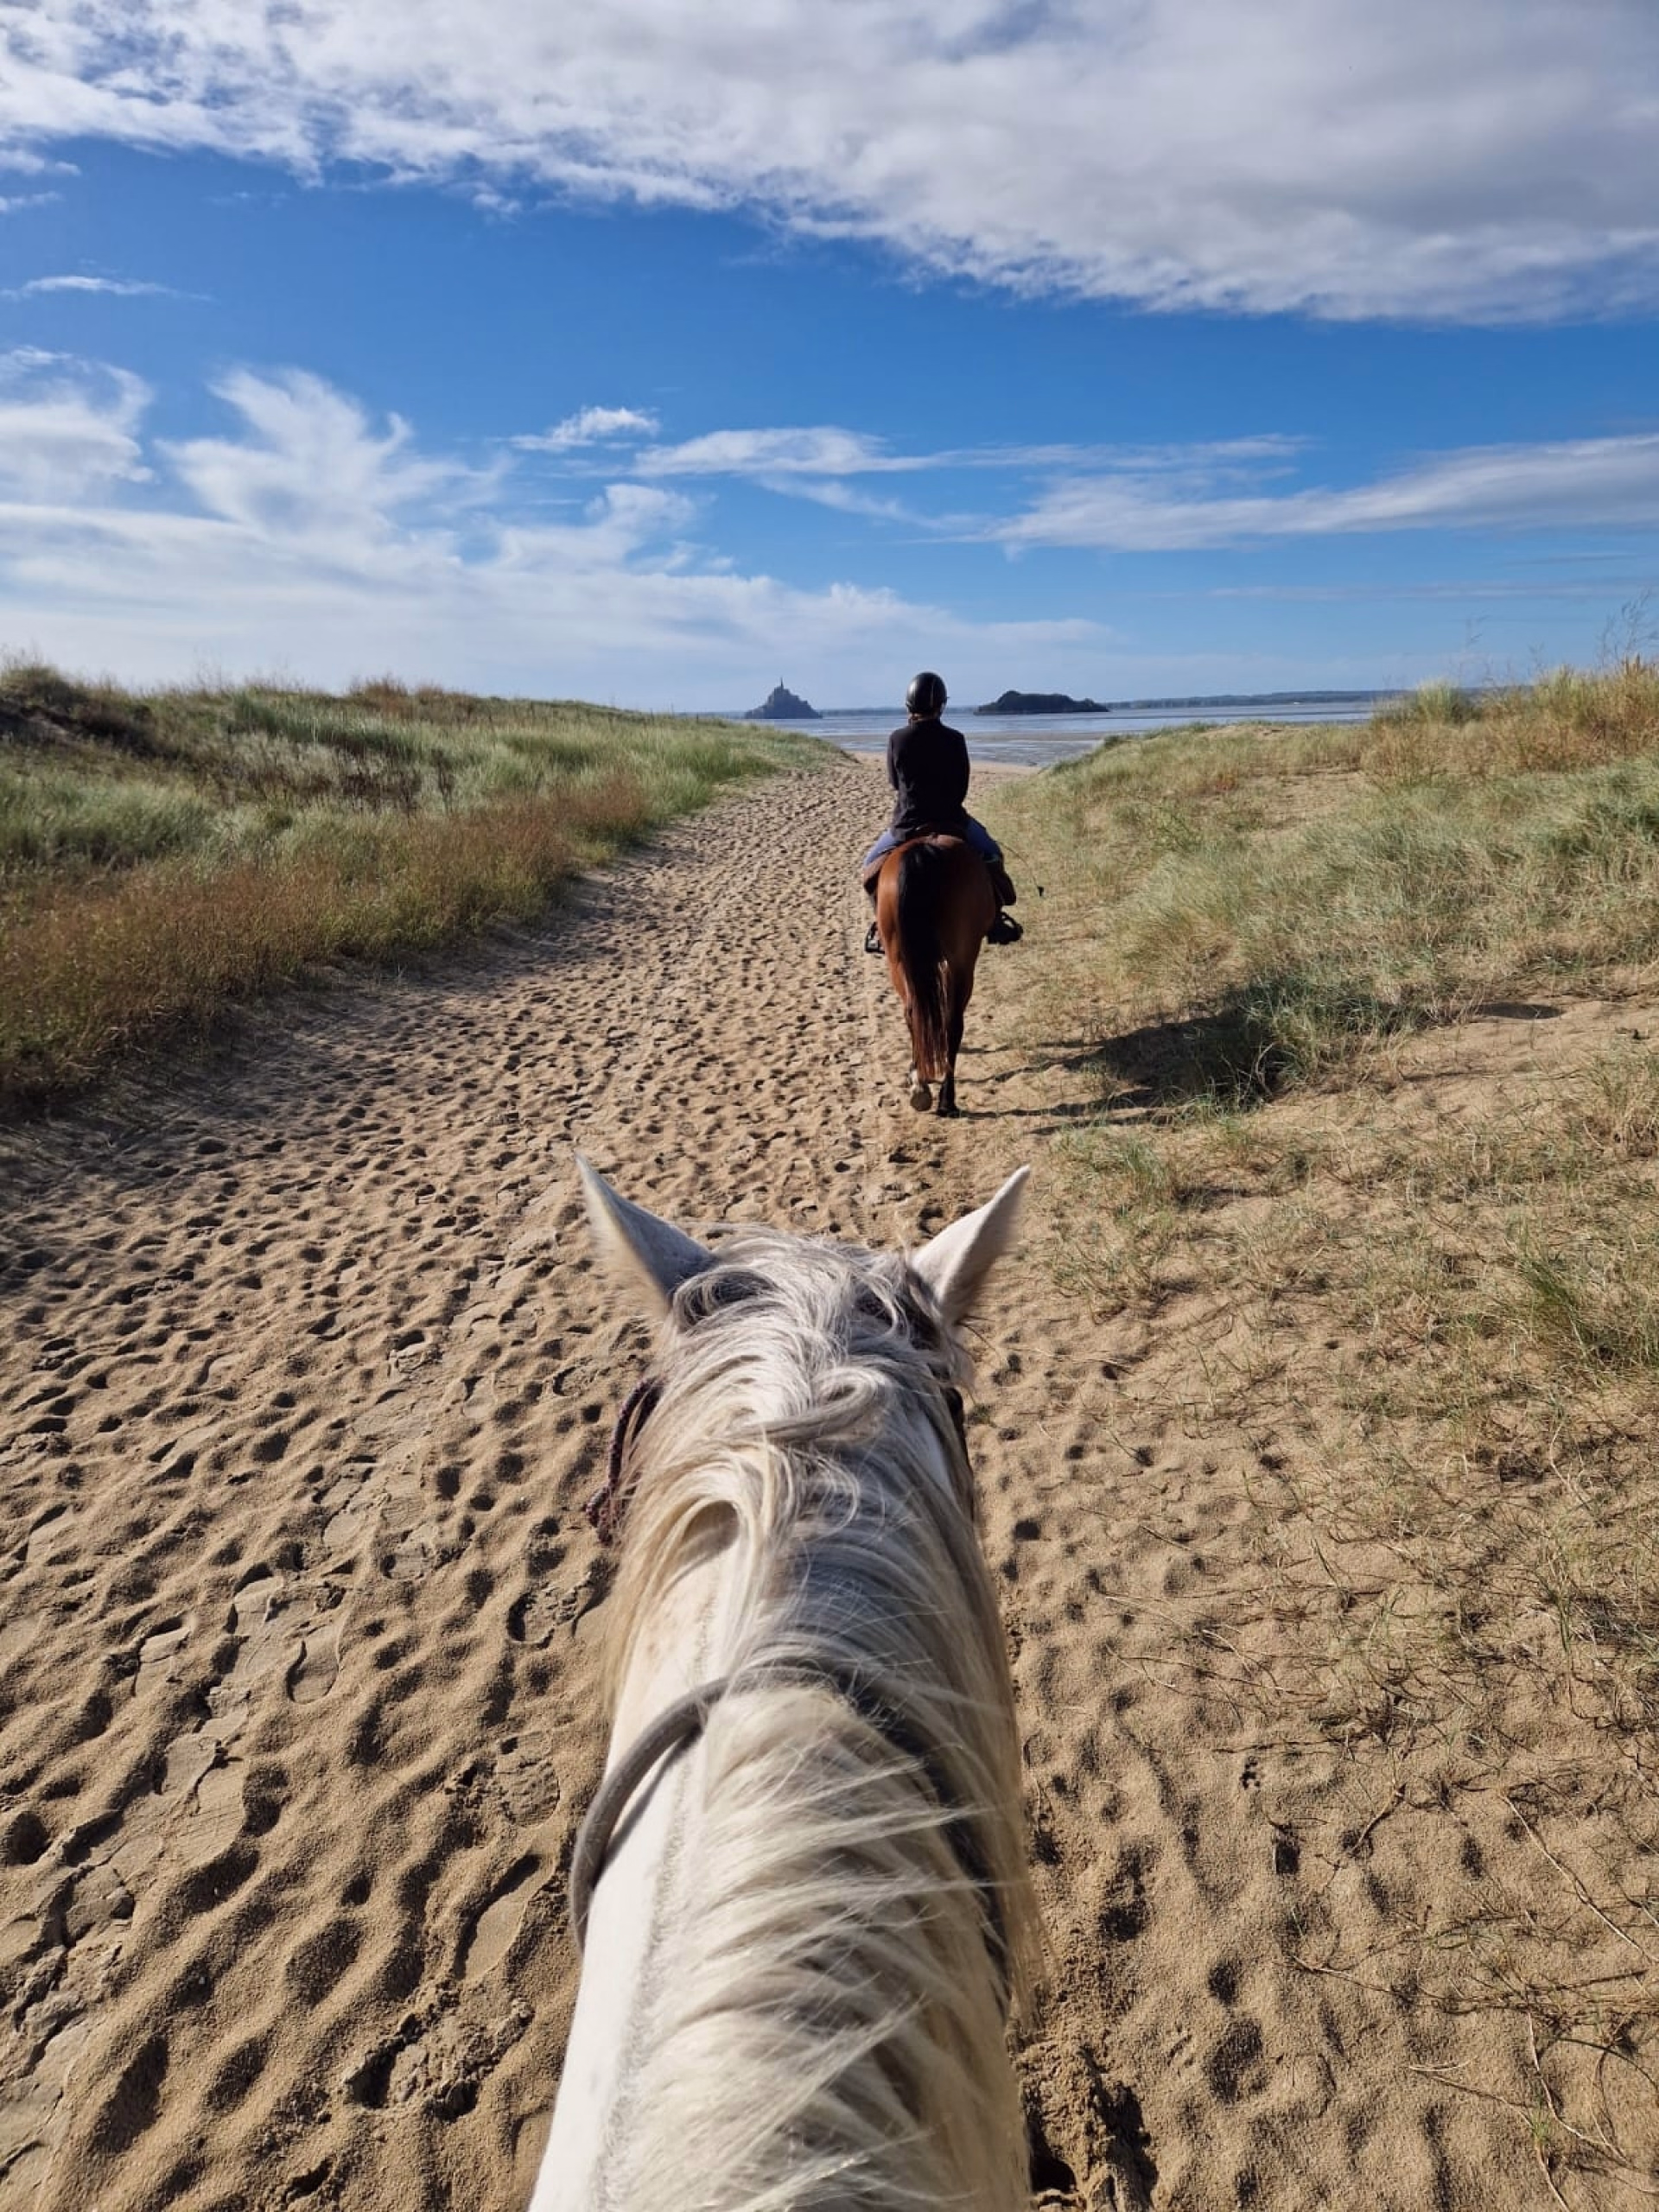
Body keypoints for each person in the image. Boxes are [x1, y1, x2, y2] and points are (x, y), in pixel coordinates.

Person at [861, 671, 1021, 952]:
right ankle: (995, 920)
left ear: (909, 704)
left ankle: (881, 928)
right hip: (951, 821)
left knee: (869, 867)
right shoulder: (955, 739)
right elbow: (961, 787)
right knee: (993, 855)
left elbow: (894, 783)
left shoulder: (897, 739)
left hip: (907, 825)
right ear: (941, 706)